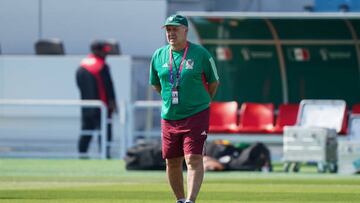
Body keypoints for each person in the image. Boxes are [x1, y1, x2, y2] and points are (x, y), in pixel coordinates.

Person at [149, 14, 220, 203]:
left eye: (175, 29)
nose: (171, 33)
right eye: (168, 30)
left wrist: (201, 101)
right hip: (170, 116)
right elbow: (156, 84)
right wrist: (170, 99)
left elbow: (214, 82)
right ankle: (180, 199)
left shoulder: (201, 54)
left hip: (196, 114)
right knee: (172, 161)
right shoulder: (159, 55)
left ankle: (190, 200)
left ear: (185, 31)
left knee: (193, 159)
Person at [76, 40, 117, 159]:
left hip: (86, 106)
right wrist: (112, 104)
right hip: (102, 107)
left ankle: (82, 155)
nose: (106, 55)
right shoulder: (102, 67)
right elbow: (109, 86)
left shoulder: (81, 66)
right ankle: (105, 154)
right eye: (104, 52)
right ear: (96, 51)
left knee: (86, 132)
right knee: (104, 132)